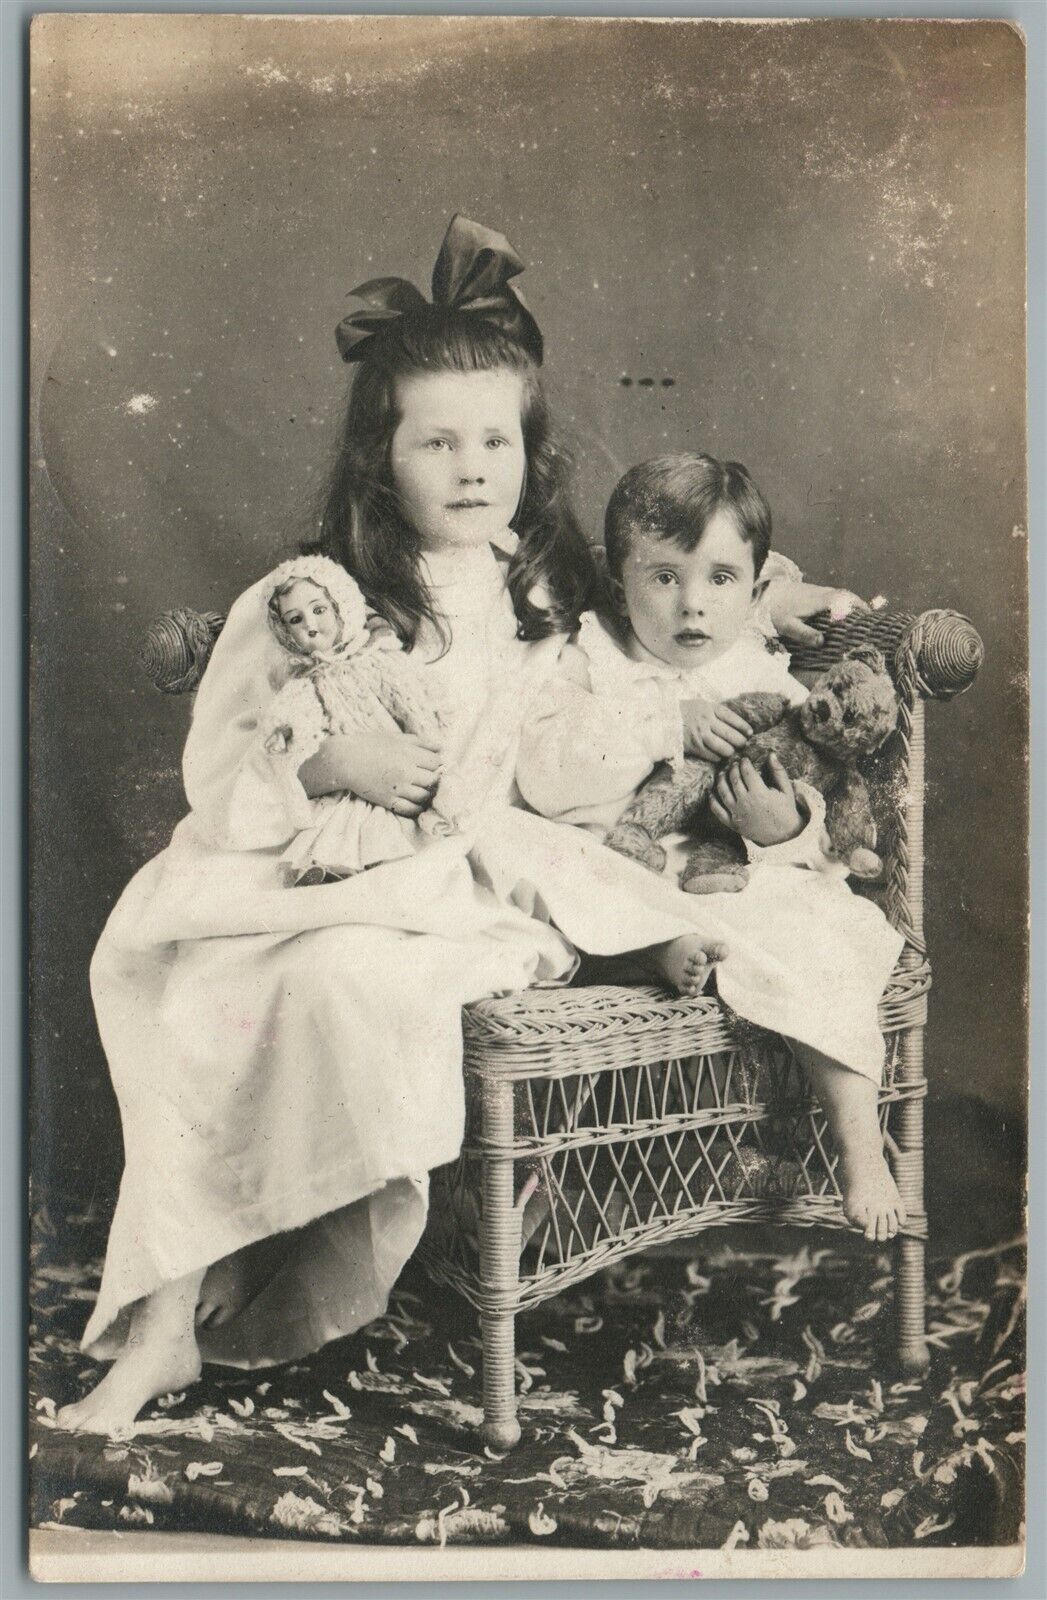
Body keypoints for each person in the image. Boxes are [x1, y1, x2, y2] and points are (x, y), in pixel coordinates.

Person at [57, 216, 867, 1438]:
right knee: (202, 984)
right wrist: (339, 759)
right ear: (381, 458)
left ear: (529, 453)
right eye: (436, 441)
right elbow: (239, 743)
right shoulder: (332, 590)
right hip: (322, 860)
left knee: (347, 983)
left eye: (496, 440)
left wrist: (784, 594)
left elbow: (675, 600)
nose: (472, 467)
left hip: (474, 876)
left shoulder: (542, 584)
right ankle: (167, 1318)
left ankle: (276, 1250)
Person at [510, 453, 907, 1242]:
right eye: (662, 577)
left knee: (824, 932)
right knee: (536, 858)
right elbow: (543, 775)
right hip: (621, 866)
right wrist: (662, 725)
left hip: (728, 880)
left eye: (720, 580)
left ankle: (860, 1146)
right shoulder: (589, 657)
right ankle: (650, 951)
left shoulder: (764, 677)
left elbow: (828, 803)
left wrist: (783, 829)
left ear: (756, 594)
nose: (691, 604)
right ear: (616, 581)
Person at [258, 555, 456, 886]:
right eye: (295, 619)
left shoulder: (376, 660)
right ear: (285, 632)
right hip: (353, 783)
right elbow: (299, 721)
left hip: (399, 763)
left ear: (342, 607)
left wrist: (432, 742)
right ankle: (331, 872)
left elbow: (410, 701)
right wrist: (283, 734)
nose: (310, 625)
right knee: (339, 827)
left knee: (394, 835)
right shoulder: (306, 683)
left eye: (319, 610)